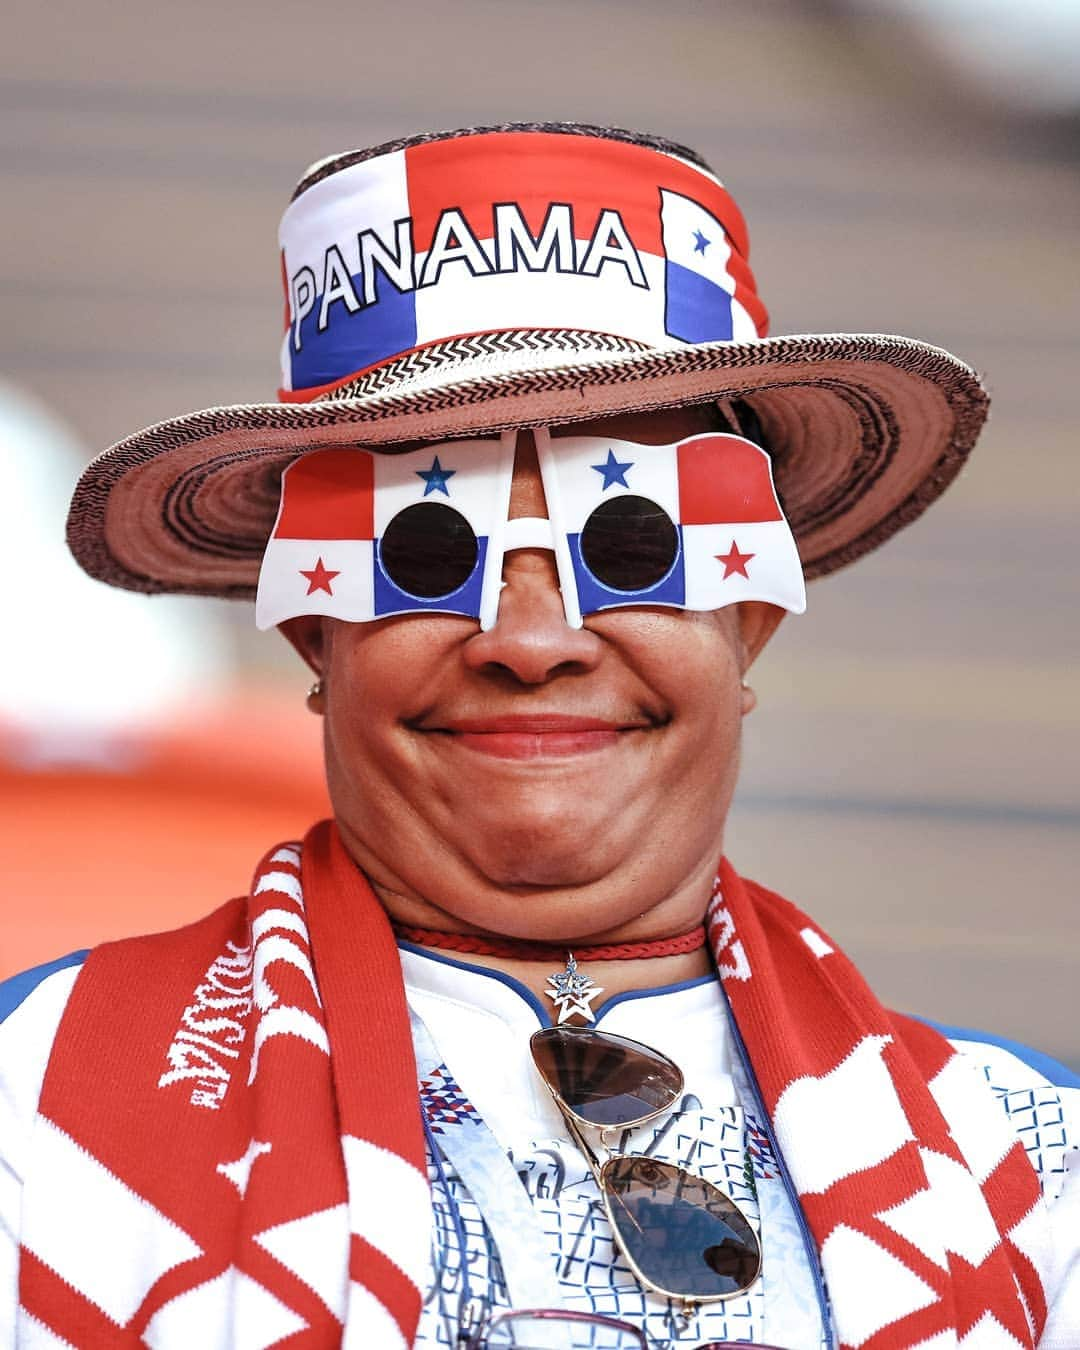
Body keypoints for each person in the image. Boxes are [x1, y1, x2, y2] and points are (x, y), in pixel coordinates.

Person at [1, 123, 1076, 1350]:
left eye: (631, 546)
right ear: (314, 633)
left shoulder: (1036, 1181)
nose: (530, 638)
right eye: (421, 553)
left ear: (752, 622)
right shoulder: (31, 1123)